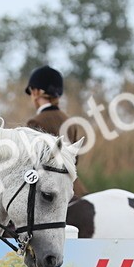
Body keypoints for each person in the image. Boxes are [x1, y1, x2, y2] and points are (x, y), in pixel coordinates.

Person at [24, 65, 87, 199]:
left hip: (51, 194)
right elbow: (75, 160)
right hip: (76, 190)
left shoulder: (35, 122)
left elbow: (31, 164)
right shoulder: (70, 121)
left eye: (31, 91)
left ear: (36, 92)